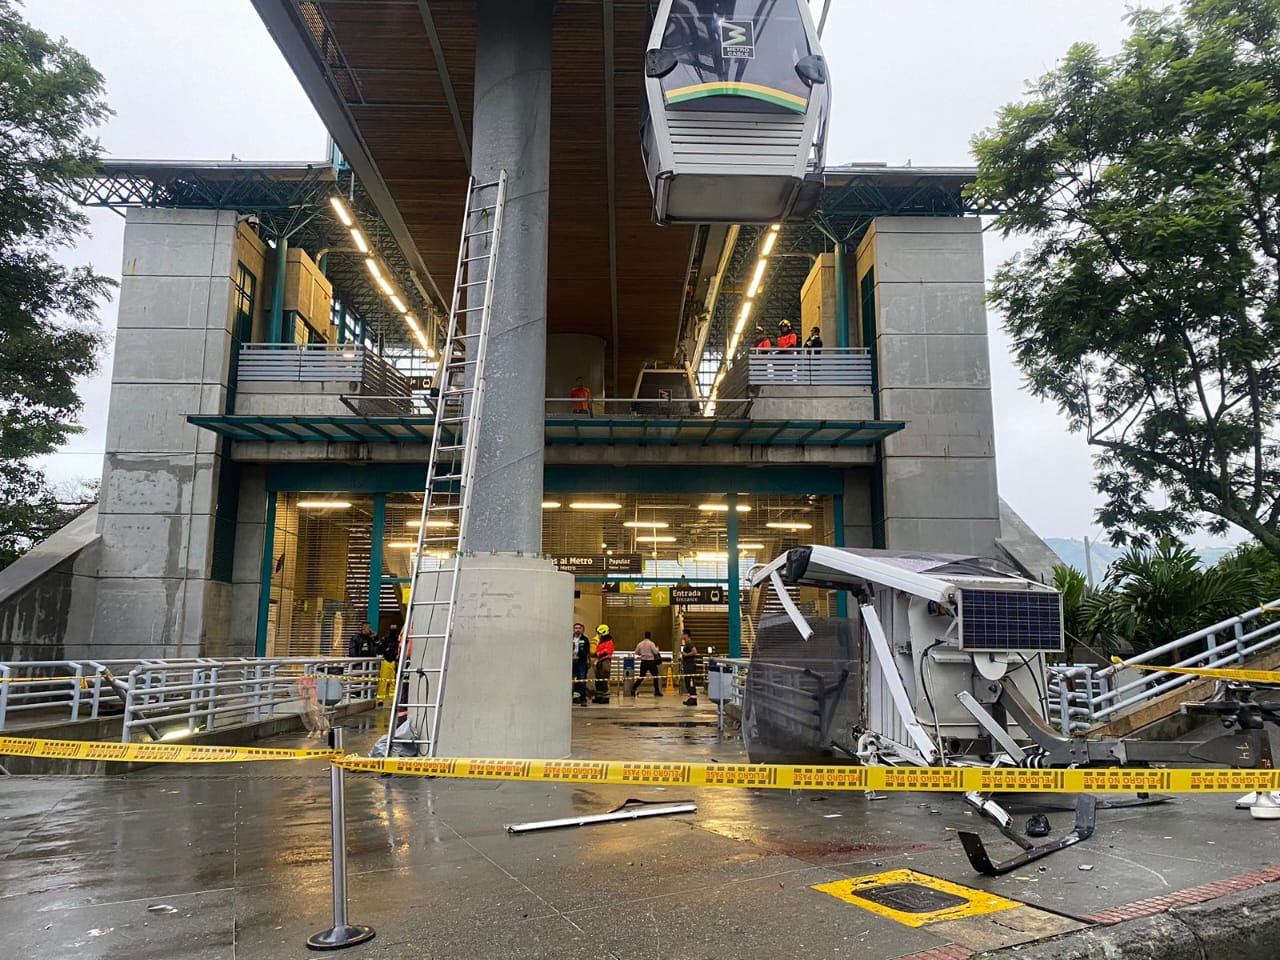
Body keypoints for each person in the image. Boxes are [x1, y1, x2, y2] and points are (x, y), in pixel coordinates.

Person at [630, 631, 663, 697]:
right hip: (651, 662)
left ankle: (633, 688)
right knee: (655, 676)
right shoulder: (651, 644)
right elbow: (656, 652)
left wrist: (642, 654)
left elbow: (636, 652)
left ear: (644, 636)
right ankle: (657, 691)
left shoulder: (640, 644)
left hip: (643, 662)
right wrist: (657, 648)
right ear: (650, 636)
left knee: (641, 676)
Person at [377, 623, 402, 706]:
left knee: (393, 682)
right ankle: (381, 699)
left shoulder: (397, 640)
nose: (393, 631)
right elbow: (379, 650)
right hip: (386, 661)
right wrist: (386, 650)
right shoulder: (385, 640)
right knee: (383, 681)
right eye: (392, 629)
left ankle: (393, 699)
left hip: (394, 662)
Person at [592, 623, 615, 704]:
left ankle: (605, 698)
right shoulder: (601, 641)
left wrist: (596, 654)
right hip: (600, 661)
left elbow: (607, 651)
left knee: (603, 680)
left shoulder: (608, 642)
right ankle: (599, 696)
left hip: (605, 661)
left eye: (599, 633)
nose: (598, 634)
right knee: (598, 680)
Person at [572, 622, 591, 705]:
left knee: (582, 680)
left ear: (582, 630)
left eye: (579, 628)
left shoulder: (585, 639)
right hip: (572, 663)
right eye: (576, 628)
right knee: (575, 681)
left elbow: (586, 651)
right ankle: (576, 698)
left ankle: (583, 699)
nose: (577, 630)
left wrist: (578, 654)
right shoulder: (570, 638)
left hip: (581, 663)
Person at [680, 629, 699, 706]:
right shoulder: (687, 643)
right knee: (688, 681)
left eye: (683, 634)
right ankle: (691, 697)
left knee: (690, 681)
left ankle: (693, 699)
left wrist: (686, 655)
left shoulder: (689, 643)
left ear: (686, 635)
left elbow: (694, 651)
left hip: (690, 665)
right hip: (687, 665)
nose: (681, 636)